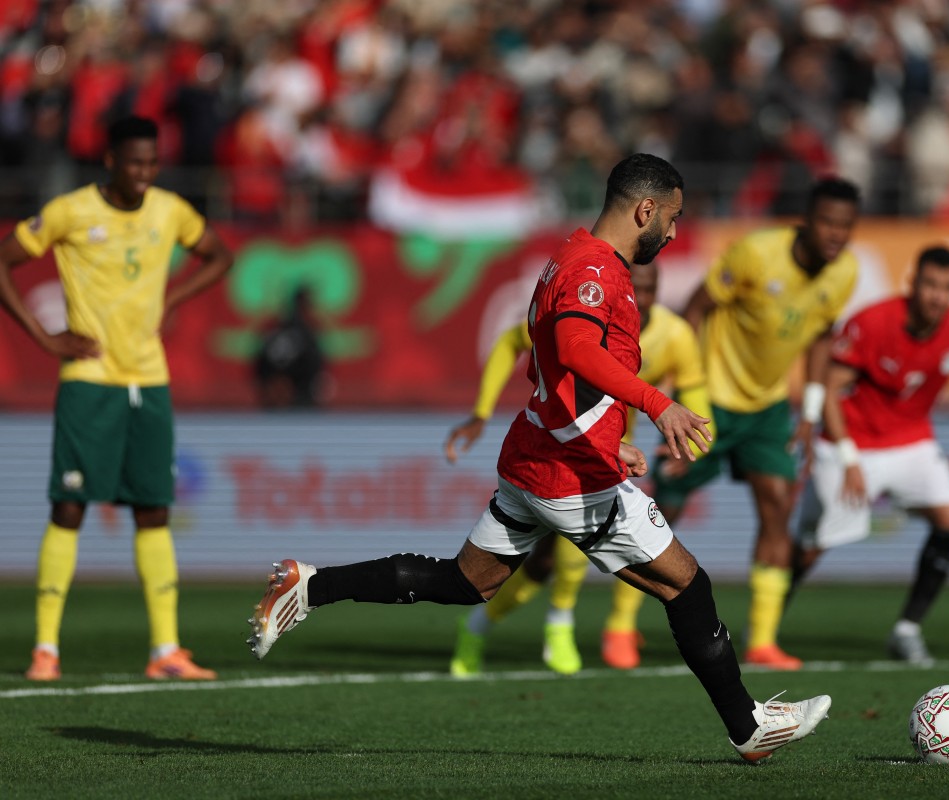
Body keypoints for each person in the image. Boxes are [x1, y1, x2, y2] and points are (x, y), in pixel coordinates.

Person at [247, 153, 832, 762]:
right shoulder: (594, 271)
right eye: (674, 219)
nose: (675, 233)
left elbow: (549, 371)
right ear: (646, 210)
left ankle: (309, 585)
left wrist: (610, 437)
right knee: (686, 585)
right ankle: (748, 727)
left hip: (538, 455)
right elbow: (575, 349)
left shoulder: (569, 255)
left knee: (466, 581)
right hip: (568, 477)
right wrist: (658, 406)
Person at [0, 116, 234, 681]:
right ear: (110, 160)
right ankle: (46, 650)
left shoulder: (169, 210)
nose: (145, 172)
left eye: (152, 162)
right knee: (70, 506)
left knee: (154, 510)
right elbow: (4, 260)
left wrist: (174, 298)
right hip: (89, 380)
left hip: (149, 381)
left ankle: (166, 651)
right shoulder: (71, 211)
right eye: (135, 162)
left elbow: (220, 255)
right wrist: (43, 336)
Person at [444, 259, 713, 675]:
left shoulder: (674, 336)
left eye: (649, 291)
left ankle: (570, 626)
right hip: (553, 451)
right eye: (634, 289)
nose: (640, 300)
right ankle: (525, 624)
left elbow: (694, 396)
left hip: (611, 453)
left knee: (560, 560)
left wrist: (686, 444)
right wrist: (481, 412)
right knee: (539, 564)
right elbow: (509, 344)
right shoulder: (588, 319)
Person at [657, 178, 861, 669]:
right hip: (713, 399)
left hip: (769, 409)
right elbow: (696, 309)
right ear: (807, 221)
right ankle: (621, 625)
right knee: (667, 501)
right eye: (829, 223)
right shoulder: (755, 254)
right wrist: (685, 391)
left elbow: (820, 338)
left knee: (777, 505)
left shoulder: (844, 273)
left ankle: (763, 640)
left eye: (846, 227)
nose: (836, 235)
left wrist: (810, 412)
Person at [791, 245, 949, 663]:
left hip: (911, 441)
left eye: (947, 288)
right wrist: (849, 457)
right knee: (811, 548)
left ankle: (907, 629)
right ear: (913, 283)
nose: (937, 296)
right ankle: (765, 624)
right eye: (930, 285)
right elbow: (830, 392)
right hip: (852, 442)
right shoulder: (872, 323)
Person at [254, 285, 326, 409]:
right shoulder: (305, 337)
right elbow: (313, 370)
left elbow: (260, 367)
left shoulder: (275, 332)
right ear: (304, 307)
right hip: (298, 405)